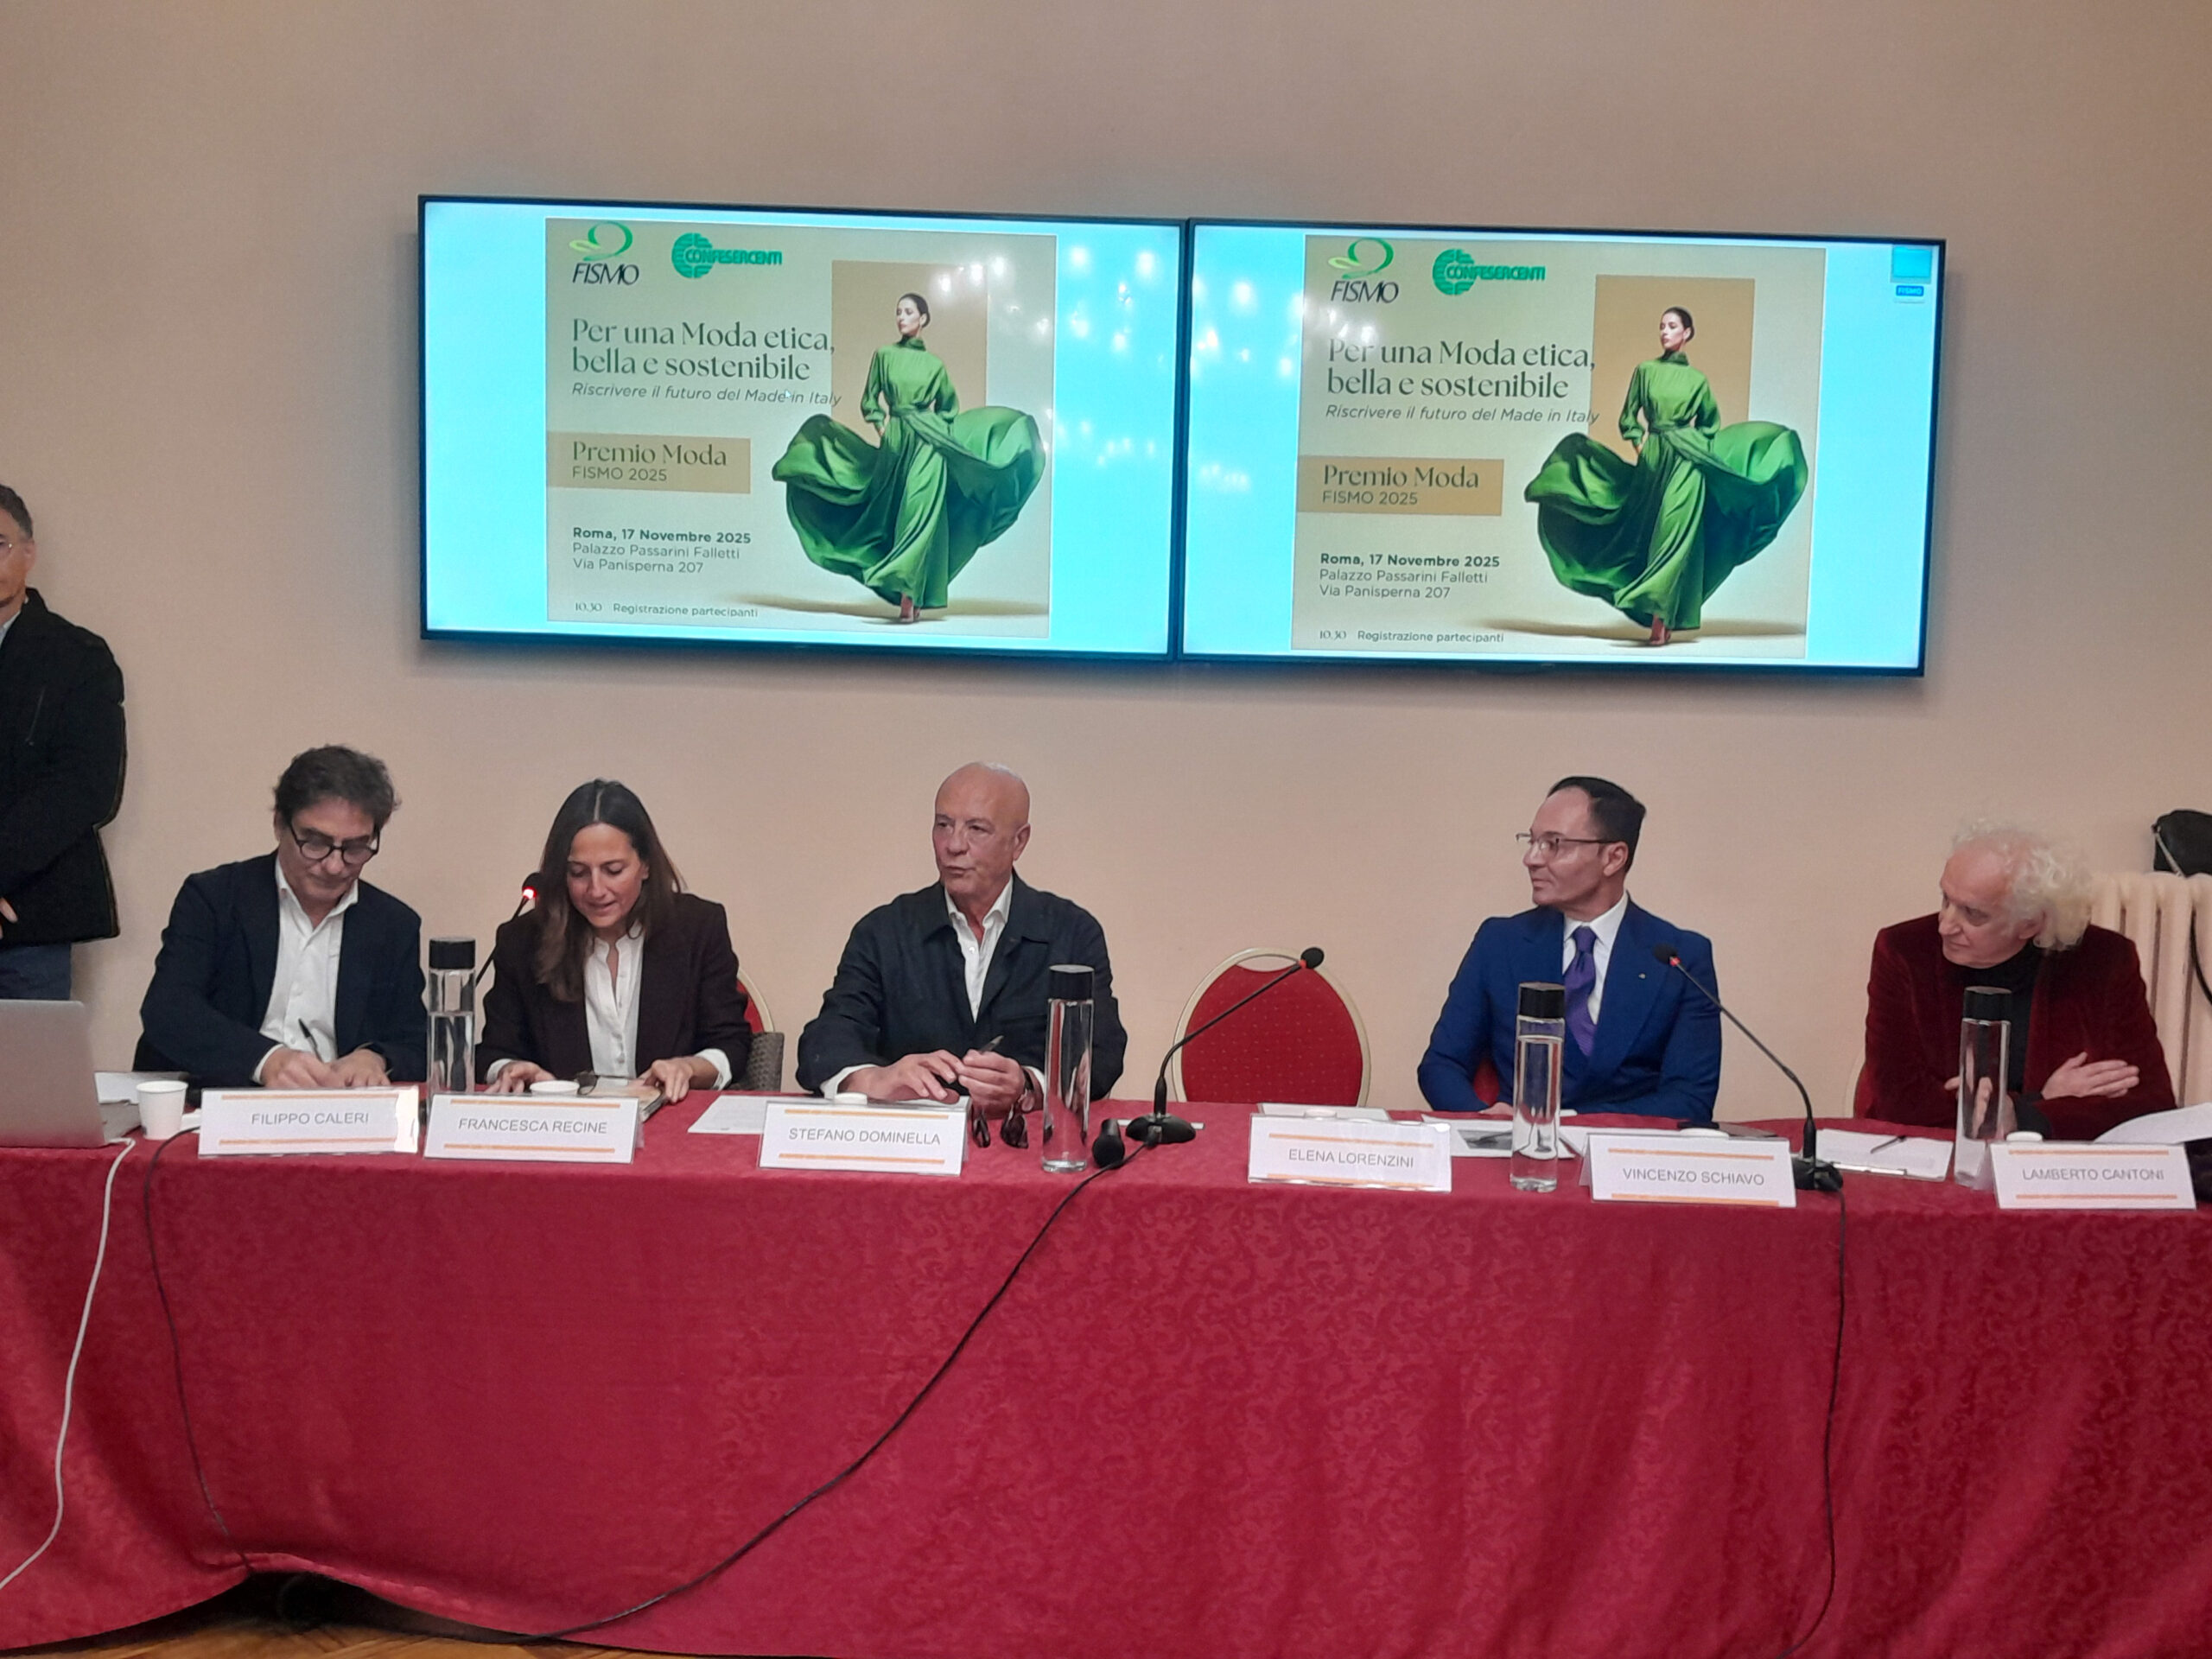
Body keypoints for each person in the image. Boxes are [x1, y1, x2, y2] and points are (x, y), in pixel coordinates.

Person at [797, 762, 1126, 1116]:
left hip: (1022, 1138)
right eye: (943, 825)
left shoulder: (1071, 932)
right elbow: (827, 1038)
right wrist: (874, 1079)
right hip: (913, 1138)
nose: (953, 845)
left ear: (1018, 842)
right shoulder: (884, 931)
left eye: (976, 829)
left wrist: (1029, 1085)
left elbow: (1102, 1051)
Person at [1419, 776, 1721, 1120]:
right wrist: (1486, 1122)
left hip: (1624, 1148)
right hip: (1513, 1144)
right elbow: (1442, 1064)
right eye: (1532, 841)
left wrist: (1571, 1126)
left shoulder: (1680, 958)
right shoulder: (1500, 943)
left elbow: (1690, 1098)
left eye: (1554, 844)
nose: (1531, 859)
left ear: (1613, 858)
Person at [1859, 824, 2173, 1140]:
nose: (1946, 926)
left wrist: (2019, 1115)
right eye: (1946, 899)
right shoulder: (1904, 952)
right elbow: (1900, 1105)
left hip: (2051, 1163)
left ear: (2029, 924)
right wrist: (2039, 1102)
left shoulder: (2103, 960)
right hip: (1929, 1154)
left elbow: (2150, 1106)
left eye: (1973, 914)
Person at [137, 746, 425, 1088]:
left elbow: (417, 1039)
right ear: (279, 824)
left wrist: (376, 1057)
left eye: (355, 848)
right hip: (225, 1094)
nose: (335, 866)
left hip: (336, 1105)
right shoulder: (215, 898)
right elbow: (169, 1010)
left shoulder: (393, 924)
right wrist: (265, 1059)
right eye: (315, 843)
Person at [1524, 307, 1808, 646]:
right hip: (1655, 460)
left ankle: (1659, 622)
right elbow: (1628, 417)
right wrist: (1640, 443)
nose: (1664, 331)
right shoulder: (1645, 371)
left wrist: (1696, 447)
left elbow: (1710, 423)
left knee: (1673, 536)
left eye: (1672, 326)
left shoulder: (1697, 380)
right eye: (1662, 326)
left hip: (1688, 461)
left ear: (1687, 333)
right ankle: (1666, 611)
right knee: (1645, 534)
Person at [772, 291, 1044, 622]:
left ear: (923, 318)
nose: (901, 317)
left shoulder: (935, 366)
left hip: (929, 443)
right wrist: (882, 426)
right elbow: (869, 400)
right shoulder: (884, 356)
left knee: (919, 513)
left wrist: (936, 431)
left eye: (908, 312)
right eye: (898, 312)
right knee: (895, 516)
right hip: (896, 443)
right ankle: (912, 591)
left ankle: (907, 596)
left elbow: (949, 407)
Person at [479, 780, 751, 1104]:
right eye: (578, 873)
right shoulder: (522, 941)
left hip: (669, 1122)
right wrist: (509, 1069)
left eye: (613, 870)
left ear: (645, 865)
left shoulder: (698, 928)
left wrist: (688, 1068)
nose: (596, 890)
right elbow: (494, 1051)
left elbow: (731, 1043)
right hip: (564, 1123)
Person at [0, 484, 127, 1000]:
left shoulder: (77, 656)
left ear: (29, 553)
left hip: (28, 916)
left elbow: (86, 787)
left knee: (31, 1053)